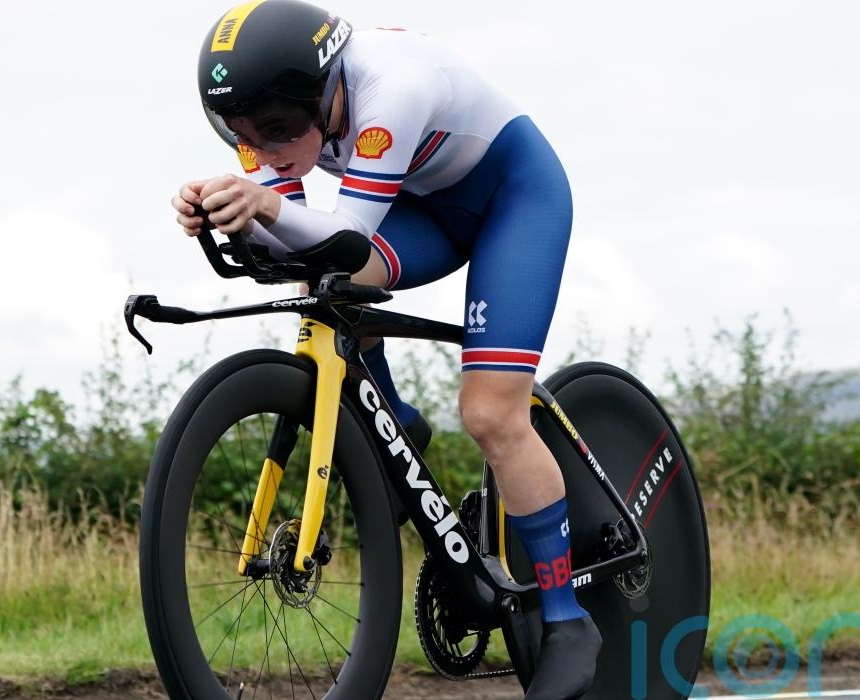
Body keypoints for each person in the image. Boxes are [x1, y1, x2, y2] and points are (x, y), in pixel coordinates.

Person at [172, 1, 601, 697]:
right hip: (424, 204)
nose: (263, 150)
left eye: (277, 129)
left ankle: (566, 617)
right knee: (320, 284)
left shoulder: (392, 88)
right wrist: (227, 216)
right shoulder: (262, 117)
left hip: (514, 198)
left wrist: (266, 206)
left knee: (492, 414)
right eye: (240, 134)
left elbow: (346, 236)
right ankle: (393, 421)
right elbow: (288, 237)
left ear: (325, 90)